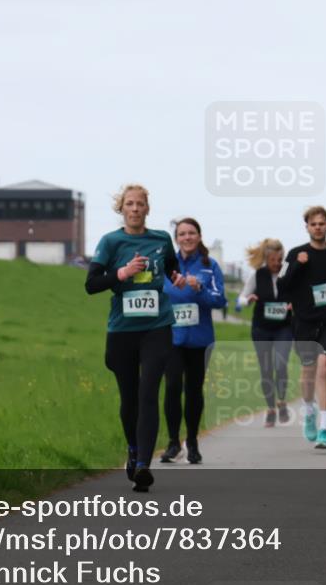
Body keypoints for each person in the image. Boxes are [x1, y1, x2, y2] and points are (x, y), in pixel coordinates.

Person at [86, 184, 185, 492]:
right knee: (129, 398)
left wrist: (177, 277)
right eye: (129, 204)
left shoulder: (160, 239)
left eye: (140, 204)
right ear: (122, 208)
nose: (135, 208)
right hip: (122, 331)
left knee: (148, 393)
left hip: (157, 327)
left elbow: (170, 266)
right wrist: (123, 273)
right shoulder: (111, 242)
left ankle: (143, 464)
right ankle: (133, 448)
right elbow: (91, 284)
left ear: (147, 208)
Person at [282, 206, 326, 449]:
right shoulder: (296, 253)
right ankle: (309, 409)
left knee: (324, 366)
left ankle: (324, 427)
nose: (318, 227)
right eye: (314, 224)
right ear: (307, 227)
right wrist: (297, 265)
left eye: (322, 223)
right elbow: (283, 284)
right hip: (304, 319)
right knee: (309, 370)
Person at [161, 218, 226, 465]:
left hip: (200, 340)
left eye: (191, 233)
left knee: (193, 391)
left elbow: (220, 301)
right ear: (176, 238)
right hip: (172, 338)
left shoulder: (210, 266)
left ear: (199, 236)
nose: (187, 237)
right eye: (182, 234)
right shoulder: (168, 265)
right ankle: (173, 443)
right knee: (173, 387)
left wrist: (200, 289)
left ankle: (193, 442)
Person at [237, 239, 293, 428]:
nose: (277, 264)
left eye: (280, 259)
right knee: (266, 369)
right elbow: (241, 299)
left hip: (284, 327)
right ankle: (271, 409)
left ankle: (282, 401)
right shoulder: (258, 275)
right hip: (262, 327)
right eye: (273, 260)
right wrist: (248, 299)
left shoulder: (288, 272)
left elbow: (301, 293)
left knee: (281, 364)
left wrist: (295, 303)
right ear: (266, 259)